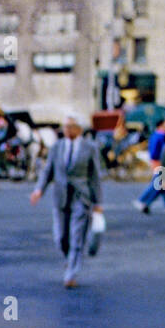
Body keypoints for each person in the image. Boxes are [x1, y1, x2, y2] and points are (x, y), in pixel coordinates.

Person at [30, 112, 104, 288]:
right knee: (61, 237)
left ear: (78, 129)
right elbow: (48, 171)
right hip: (61, 196)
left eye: (70, 127)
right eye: (65, 127)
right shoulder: (57, 147)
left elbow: (95, 177)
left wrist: (98, 203)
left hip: (81, 196)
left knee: (77, 237)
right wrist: (39, 190)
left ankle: (71, 273)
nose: (67, 130)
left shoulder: (90, 148)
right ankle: (69, 258)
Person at [134, 118, 165, 212]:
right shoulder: (161, 136)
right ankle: (141, 200)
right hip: (159, 161)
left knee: (161, 184)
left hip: (156, 161)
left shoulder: (155, 135)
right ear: (161, 125)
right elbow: (156, 151)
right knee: (157, 184)